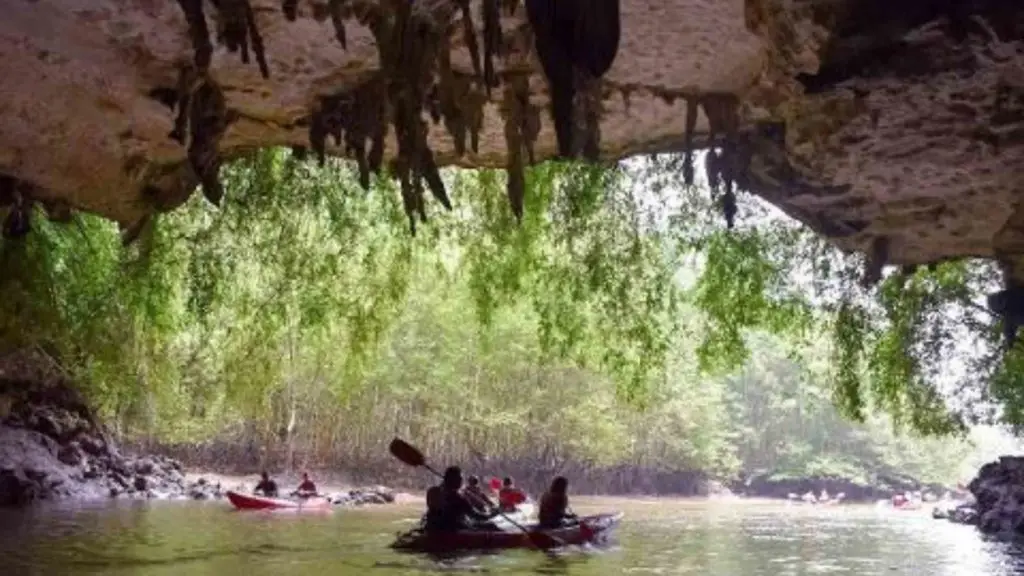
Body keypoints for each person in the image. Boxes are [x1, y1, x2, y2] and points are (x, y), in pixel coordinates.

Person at [424, 466, 497, 532]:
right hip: (452, 530)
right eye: (461, 479)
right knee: (491, 525)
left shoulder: (433, 491)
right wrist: (492, 515)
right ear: (457, 481)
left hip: (433, 527)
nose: (462, 482)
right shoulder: (459, 498)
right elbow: (476, 516)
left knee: (468, 522)